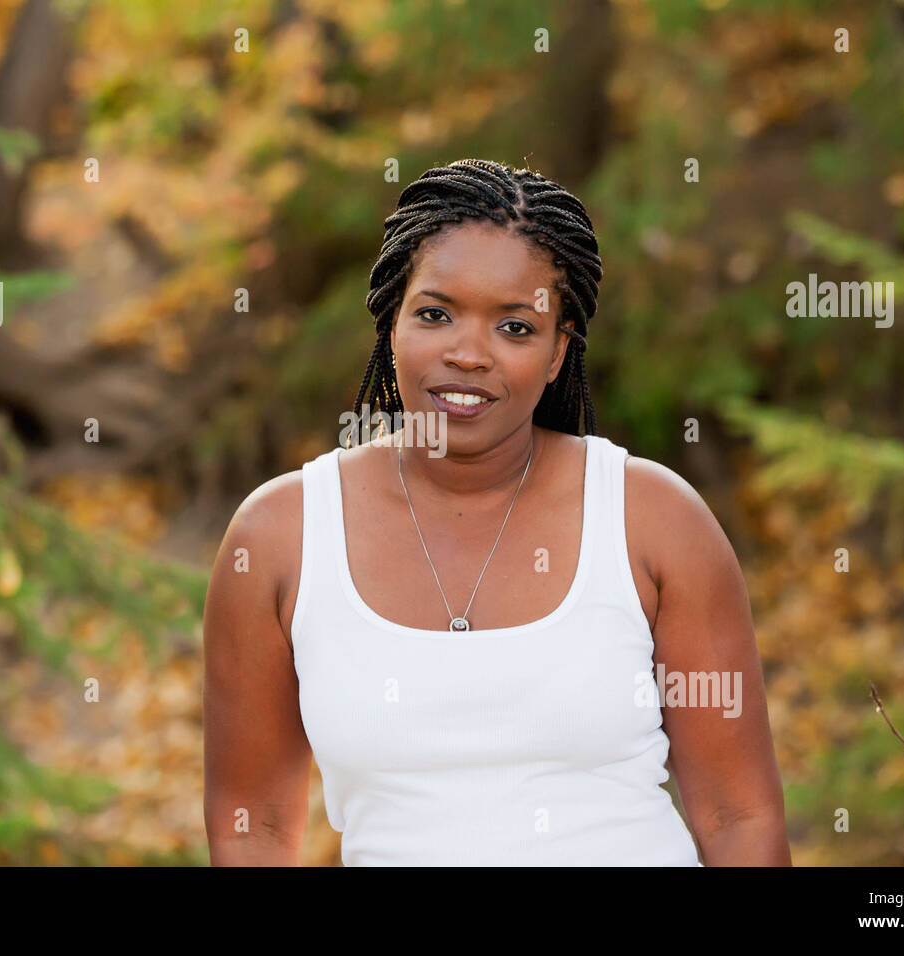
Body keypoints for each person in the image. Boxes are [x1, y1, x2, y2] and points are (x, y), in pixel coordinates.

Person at [203, 158, 790, 866]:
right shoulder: (278, 539)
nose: (468, 353)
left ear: (555, 354)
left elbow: (739, 816)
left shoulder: (655, 521)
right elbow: (253, 824)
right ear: (392, 324)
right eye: (435, 314)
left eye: (514, 327)